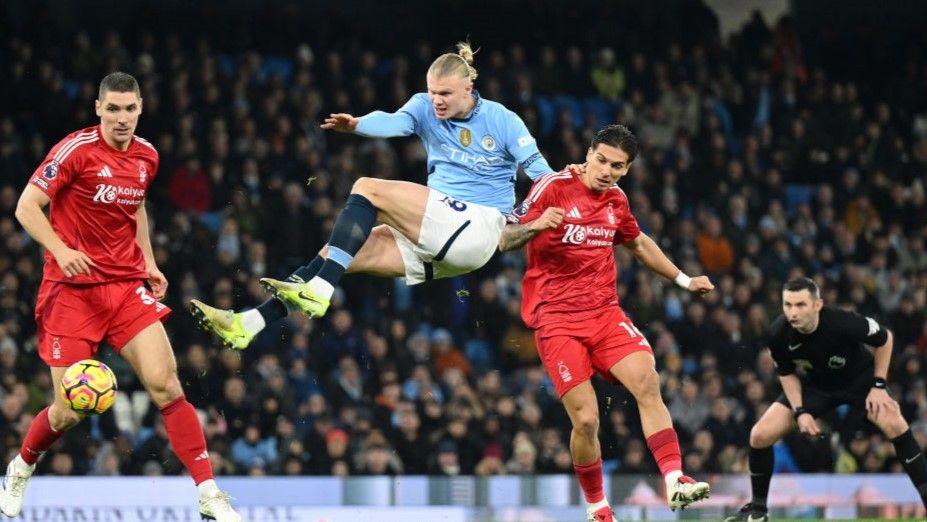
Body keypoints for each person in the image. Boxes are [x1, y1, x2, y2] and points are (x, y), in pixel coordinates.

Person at [190, 42, 554, 349]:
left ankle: (318, 289)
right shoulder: (425, 108)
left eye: (444, 94)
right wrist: (358, 124)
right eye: (432, 92)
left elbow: (542, 176)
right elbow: (395, 121)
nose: (436, 101)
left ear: (469, 88)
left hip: (477, 226)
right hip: (441, 237)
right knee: (336, 253)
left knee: (366, 187)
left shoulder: (503, 120)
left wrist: (522, 216)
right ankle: (248, 325)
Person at [1, 72, 239, 521]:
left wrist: (147, 261)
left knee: (167, 385)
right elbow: (25, 207)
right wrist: (61, 250)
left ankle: (208, 492)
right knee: (69, 412)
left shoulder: (148, 156)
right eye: (113, 109)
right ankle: (22, 465)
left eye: (130, 109)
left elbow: (136, 208)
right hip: (70, 292)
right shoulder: (75, 150)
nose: (122, 118)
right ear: (98, 109)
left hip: (126, 287)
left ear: (141, 108)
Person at [499, 124, 713, 521]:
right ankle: (597, 506)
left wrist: (683, 279)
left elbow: (637, 242)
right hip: (557, 320)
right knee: (586, 419)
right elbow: (504, 238)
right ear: (589, 152)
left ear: (627, 169)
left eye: (617, 166)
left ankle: (674, 478)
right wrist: (536, 224)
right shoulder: (552, 187)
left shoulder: (616, 200)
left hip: (604, 315)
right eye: (601, 160)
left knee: (648, 381)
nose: (606, 171)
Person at [726, 277, 927, 521]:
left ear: (817, 305)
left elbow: (885, 339)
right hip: (817, 387)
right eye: (787, 305)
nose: (793, 312)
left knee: (895, 424)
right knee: (759, 435)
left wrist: (879, 386)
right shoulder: (778, 333)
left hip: (861, 383)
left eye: (800, 305)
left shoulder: (843, 321)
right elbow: (786, 372)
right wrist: (800, 411)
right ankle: (757, 512)